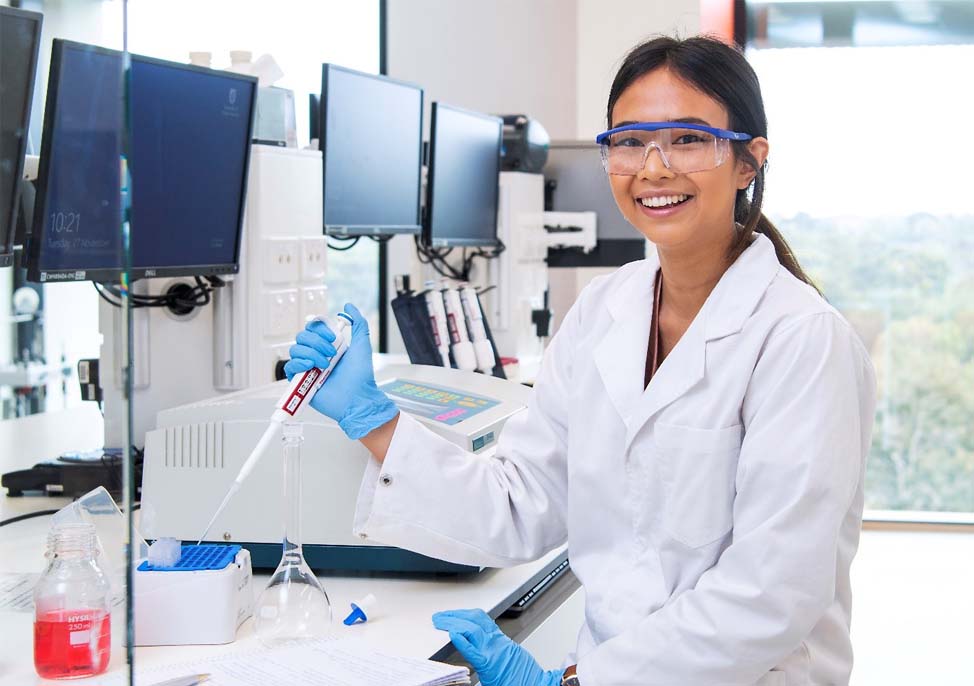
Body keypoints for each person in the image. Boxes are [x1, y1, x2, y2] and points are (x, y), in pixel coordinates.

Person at [286, 35, 876, 686]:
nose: (654, 167)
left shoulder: (800, 339)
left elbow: (769, 596)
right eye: (628, 141)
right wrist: (373, 420)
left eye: (687, 138)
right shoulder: (604, 311)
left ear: (748, 161)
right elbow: (520, 505)